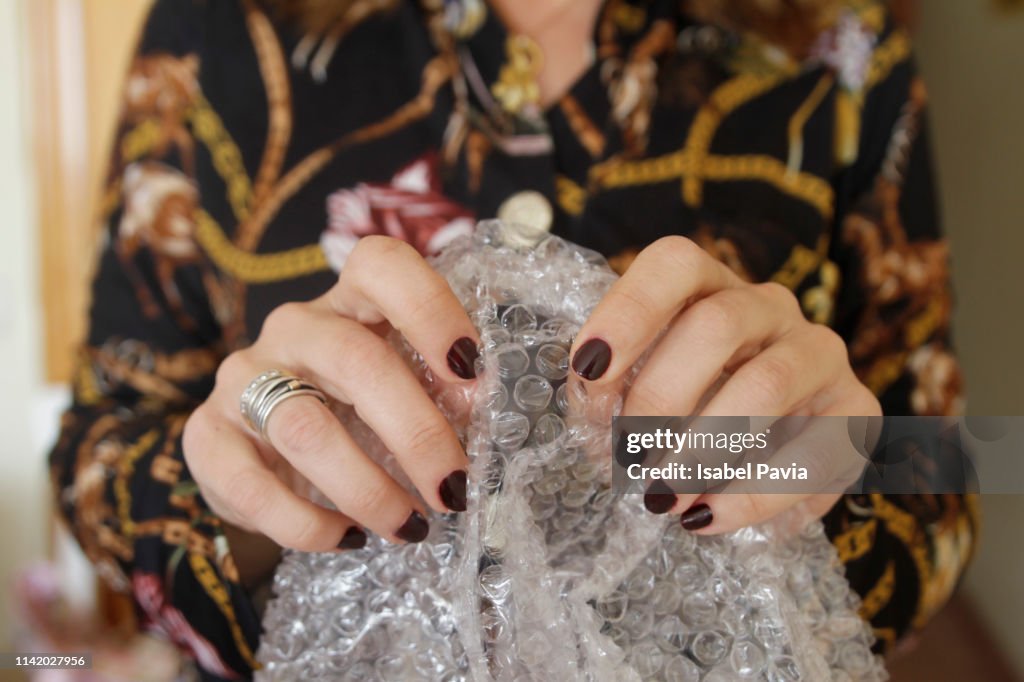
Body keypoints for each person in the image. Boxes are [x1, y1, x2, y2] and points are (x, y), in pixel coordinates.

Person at [48, 0, 977, 678]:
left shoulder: (837, 49)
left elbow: (948, 468)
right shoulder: (220, 32)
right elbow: (103, 437)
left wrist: (821, 482)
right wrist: (248, 486)